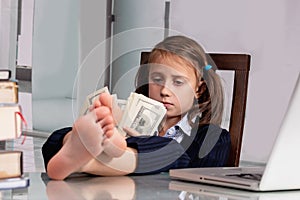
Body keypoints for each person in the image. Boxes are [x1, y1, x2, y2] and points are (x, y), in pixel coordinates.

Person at [42, 35, 231, 180]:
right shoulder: (129, 116)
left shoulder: (210, 136)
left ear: (198, 90)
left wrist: (140, 143)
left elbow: (202, 183)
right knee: (61, 135)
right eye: (157, 80)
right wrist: (109, 130)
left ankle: (84, 162)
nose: (165, 90)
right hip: (116, 188)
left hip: (154, 189)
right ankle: (82, 147)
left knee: (172, 152)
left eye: (178, 82)